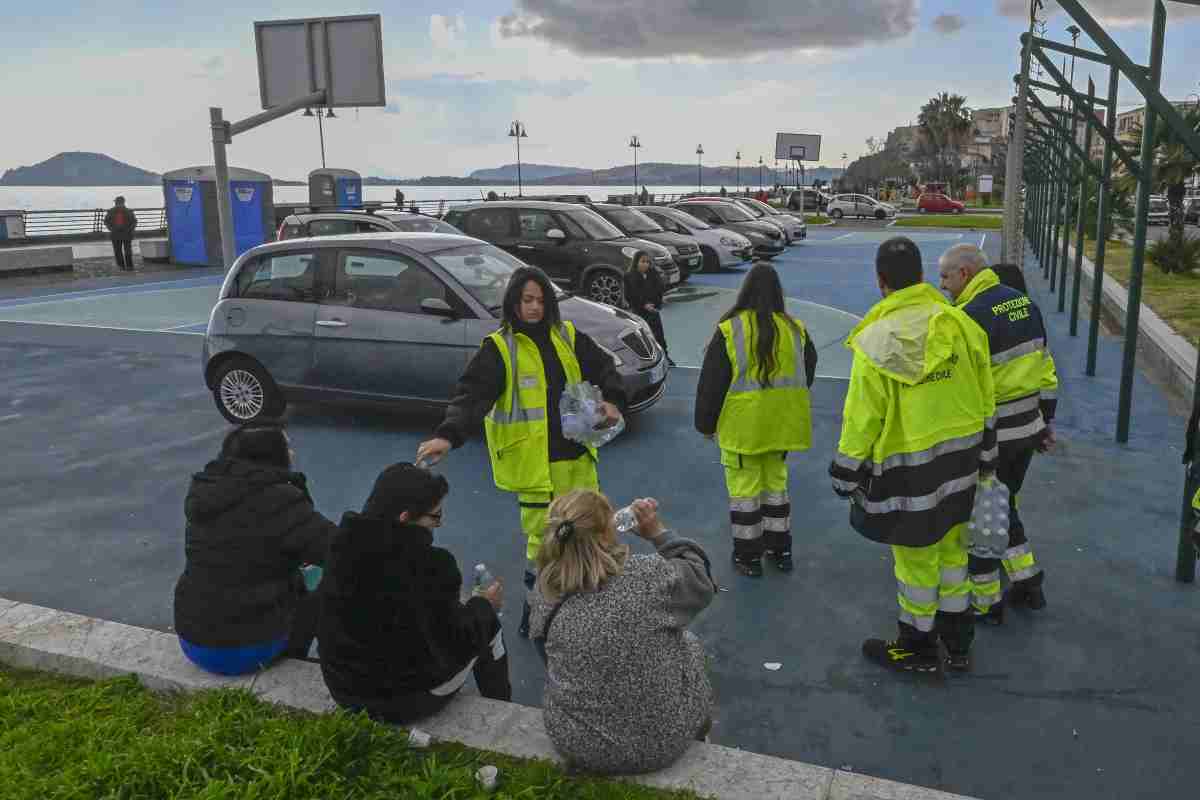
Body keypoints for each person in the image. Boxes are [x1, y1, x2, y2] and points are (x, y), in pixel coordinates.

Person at [416, 266, 626, 637]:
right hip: (535, 467)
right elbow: (472, 396)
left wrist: (612, 399)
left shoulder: (567, 335)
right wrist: (448, 436)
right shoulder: (499, 348)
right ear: (513, 302)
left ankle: (584, 614)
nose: (534, 308)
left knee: (589, 536)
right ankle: (538, 615)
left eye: (541, 301)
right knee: (543, 547)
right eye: (527, 300)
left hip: (577, 457)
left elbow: (605, 366)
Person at [829, 237, 996, 674]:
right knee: (954, 553)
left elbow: (862, 416)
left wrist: (844, 471)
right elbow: (985, 394)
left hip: (910, 475)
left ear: (881, 281)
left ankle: (917, 649)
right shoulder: (960, 325)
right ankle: (959, 643)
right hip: (963, 465)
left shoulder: (877, 340)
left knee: (916, 564)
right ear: (922, 275)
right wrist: (988, 455)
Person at [528, 490, 716, 774]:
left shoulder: (544, 591)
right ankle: (699, 730)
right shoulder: (648, 575)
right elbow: (701, 580)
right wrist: (657, 533)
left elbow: (547, 657)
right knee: (688, 645)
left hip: (579, 743)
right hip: (661, 744)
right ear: (607, 533)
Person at [317, 463, 511, 723]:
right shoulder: (433, 565)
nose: (440, 524)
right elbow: (456, 639)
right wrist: (484, 605)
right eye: (435, 517)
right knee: (488, 625)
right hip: (403, 701)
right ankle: (501, 711)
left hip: (343, 688)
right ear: (405, 517)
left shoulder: (341, 546)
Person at [938, 247, 1058, 623]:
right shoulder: (1024, 304)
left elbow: (961, 389)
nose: (942, 286)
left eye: (945, 277)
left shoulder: (967, 318)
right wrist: (1044, 423)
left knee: (981, 517)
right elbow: (1045, 370)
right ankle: (1027, 580)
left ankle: (986, 601)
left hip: (993, 438)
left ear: (966, 272)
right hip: (1027, 431)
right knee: (1003, 506)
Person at [173, 423, 336, 675]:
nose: (292, 453)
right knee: (327, 590)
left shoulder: (204, 490)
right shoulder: (281, 499)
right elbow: (336, 549)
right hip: (248, 650)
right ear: (270, 455)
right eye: (287, 447)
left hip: (193, 640)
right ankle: (296, 658)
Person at [695, 262, 817, 576]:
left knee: (745, 492)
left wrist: (706, 425)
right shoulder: (795, 330)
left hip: (742, 429)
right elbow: (808, 373)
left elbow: (712, 383)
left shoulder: (731, 330)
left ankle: (748, 556)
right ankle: (781, 550)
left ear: (745, 290)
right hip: (782, 425)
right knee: (776, 486)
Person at [623, 251, 675, 366]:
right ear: (636, 262)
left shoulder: (653, 274)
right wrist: (643, 305)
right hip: (639, 313)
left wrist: (655, 305)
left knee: (660, 337)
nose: (645, 264)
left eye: (647, 262)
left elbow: (659, 291)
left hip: (653, 311)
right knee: (643, 339)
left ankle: (665, 357)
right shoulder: (628, 276)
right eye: (642, 261)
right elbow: (629, 296)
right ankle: (647, 362)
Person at [104, 196, 137, 271]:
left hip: (119, 234)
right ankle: (128, 266)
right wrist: (130, 230)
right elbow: (134, 222)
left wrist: (111, 229)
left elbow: (106, 222)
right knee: (125, 250)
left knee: (120, 251)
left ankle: (123, 266)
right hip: (123, 234)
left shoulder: (111, 211)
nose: (117, 204)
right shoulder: (129, 211)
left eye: (117, 202)